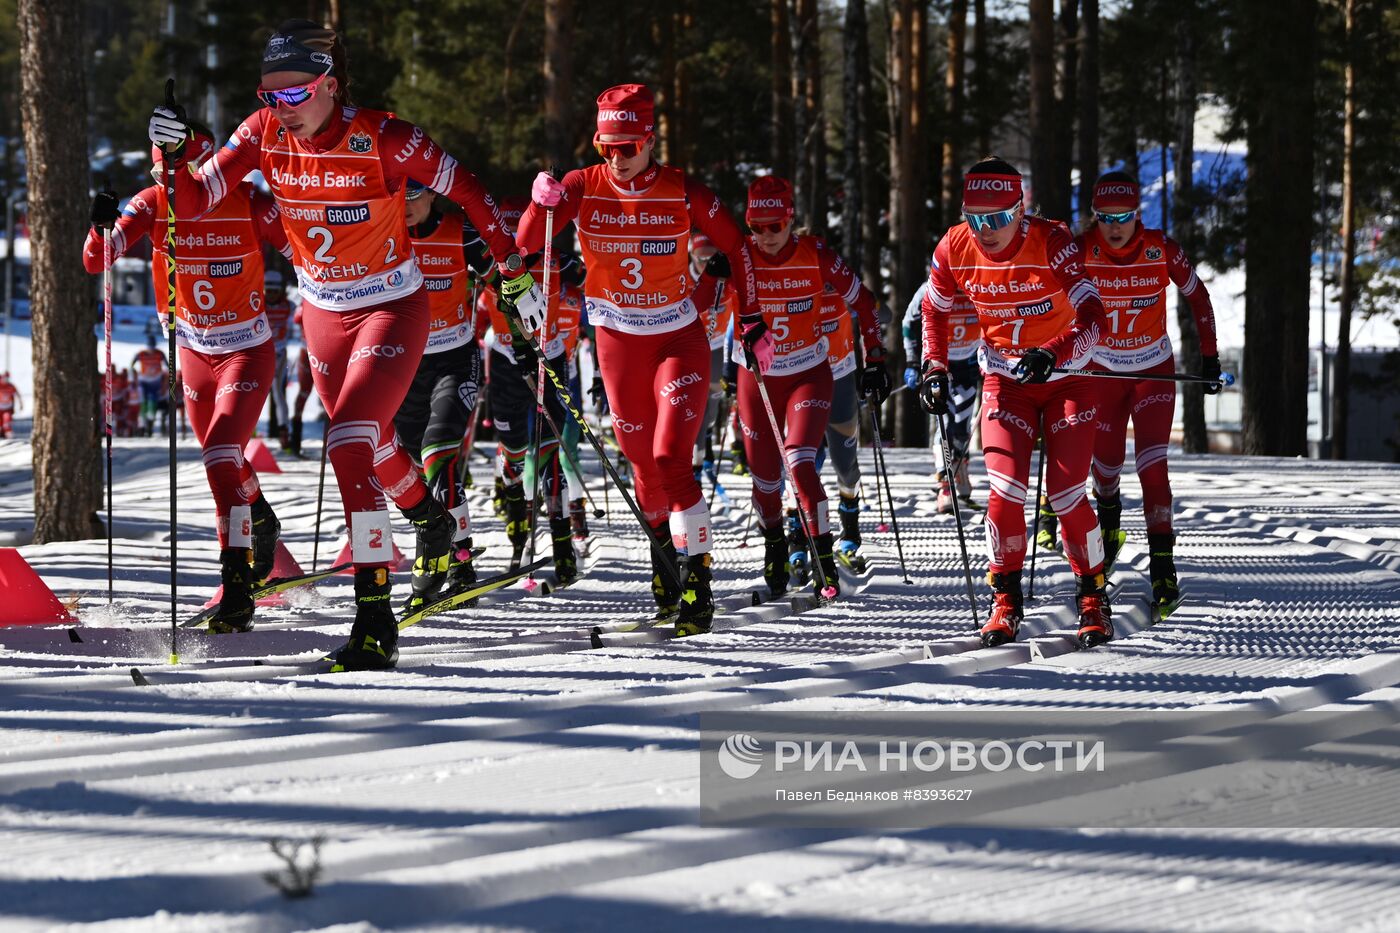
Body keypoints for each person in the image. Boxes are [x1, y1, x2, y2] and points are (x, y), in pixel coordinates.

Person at [147, 19, 541, 669]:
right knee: (375, 442)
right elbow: (190, 202)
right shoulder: (261, 131)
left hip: (391, 305)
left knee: (348, 438)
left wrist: (512, 264)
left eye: (295, 95)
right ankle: (430, 517)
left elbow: (467, 188)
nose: (282, 109)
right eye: (270, 95)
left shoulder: (384, 136)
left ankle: (375, 616)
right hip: (324, 315)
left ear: (329, 86)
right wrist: (177, 150)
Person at [519, 84, 760, 636]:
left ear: (650, 139)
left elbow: (739, 247)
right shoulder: (583, 184)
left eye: (627, 147)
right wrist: (541, 202)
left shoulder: (683, 190)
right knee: (643, 469)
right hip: (616, 343)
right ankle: (666, 573)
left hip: (677, 340)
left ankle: (698, 580)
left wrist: (751, 318)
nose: (616, 158)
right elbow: (526, 246)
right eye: (607, 147)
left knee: (671, 456)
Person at [84, 126, 293, 632]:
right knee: (221, 459)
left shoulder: (247, 198)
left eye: (182, 171)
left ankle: (237, 587)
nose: (170, 181)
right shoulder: (153, 202)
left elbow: (299, 246)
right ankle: (259, 517)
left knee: (221, 452)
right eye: (160, 171)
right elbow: (98, 260)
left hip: (246, 348)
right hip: (193, 353)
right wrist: (99, 226)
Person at [917, 158, 1111, 649]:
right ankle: (1004, 600)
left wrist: (1054, 352)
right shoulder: (953, 245)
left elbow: (1093, 314)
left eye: (998, 218)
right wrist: (934, 366)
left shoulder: (1051, 240)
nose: (987, 231)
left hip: (1070, 377)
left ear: (1020, 209)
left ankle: (1092, 597)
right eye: (976, 218)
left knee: (1066, 495)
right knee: (1005, 492)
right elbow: (933, 310)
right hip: (1007, 380)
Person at [722, 175, 888, 600]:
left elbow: (865, 302)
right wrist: (710, 273)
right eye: (757, 227)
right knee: (764, 481)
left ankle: (825, 560)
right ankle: (776, 546)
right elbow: (699, 307)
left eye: (775, 227)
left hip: (808, 373)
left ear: (790, 220)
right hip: (756, 380)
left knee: (800, 463)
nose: (766, 237)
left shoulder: (817, 255)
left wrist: (876, 358)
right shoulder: (738, 255)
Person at [1078, 171, 1220, 616]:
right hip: (1102, 374)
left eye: (1123, 217)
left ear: (1138, 214)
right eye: (1105, 218)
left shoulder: (1162, 249)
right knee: (1104, 472)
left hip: (1153, 371)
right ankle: (1110, 524)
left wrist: (1210, 358)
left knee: (1152, 467)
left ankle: (1163, 569)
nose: (1115, 227)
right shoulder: (1082, 250)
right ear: (1094, 218)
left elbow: (1199, 297)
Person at [394, 179, 492, 604]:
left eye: (414, 196)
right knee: (413, 466)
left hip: (455, 357)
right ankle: (446, 545)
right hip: (403, 363)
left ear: (433, 195)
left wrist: (523, 324)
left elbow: (503, 273)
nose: (406, 205)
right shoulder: (384, 231)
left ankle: (459, 559)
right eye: (399, 196)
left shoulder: (459, 231)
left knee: (438, 452)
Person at [479, 197, 582, 581]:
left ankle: (561, 540)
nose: (520, 248)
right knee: (517, 452)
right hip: (507, 359)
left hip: (551, 354)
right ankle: (514, 512)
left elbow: (590, 279)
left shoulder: (557, 257)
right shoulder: (492, 265)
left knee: (552, 445)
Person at [903, 281, 982, 512]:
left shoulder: (977, 279)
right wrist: (912, 361)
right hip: (940, 362)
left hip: (969, 360)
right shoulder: (931, 286)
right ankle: (945, 485)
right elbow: (908, 322)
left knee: (962, 424)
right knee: (944, 423)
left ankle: (960, 467)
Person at [817, 281, 870, 571]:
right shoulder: (786, 286)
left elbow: (881, 313)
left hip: (841, 382)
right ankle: (799, 540)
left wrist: (861, 301)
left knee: (845, 464)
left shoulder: (841, 287)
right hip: (803, 381)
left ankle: (850, 535)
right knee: (803, 462)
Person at [687, 232, 737, 490]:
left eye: (710, 258)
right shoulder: (682, 278)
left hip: (718, 347)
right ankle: (694, 464)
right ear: (692, 256)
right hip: (690, 348)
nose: (704, 264)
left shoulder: (724, 278)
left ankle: (704, 438)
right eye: (700, 258)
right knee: (695, 407)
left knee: (711, 414)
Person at [263, 269, 295, 449]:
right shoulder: (258, 304)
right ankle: (247, 431)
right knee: (253, 393)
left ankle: (284, 432)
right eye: (269, 291)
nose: (273, 296)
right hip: (261, 355)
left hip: (280, 354)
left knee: (278, 394)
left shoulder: (289, 305)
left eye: (276, 291)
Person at [131, 333, 168, 437]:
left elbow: (168, 365)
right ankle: (142, 426)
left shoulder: (160, 354)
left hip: (155, 382)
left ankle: (150, 425)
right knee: (143, 404)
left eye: (152, 346)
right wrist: (132, 376)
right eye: (149, 347)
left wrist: (167, 378)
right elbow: (131, 365)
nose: (151, 349)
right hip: (143, 382)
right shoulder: (141, 354)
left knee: (152, 403)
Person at [288, 304, 313, 455]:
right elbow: (296, 318)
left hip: (324, 353)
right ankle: (295, 443)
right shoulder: (304, 304)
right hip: (307, 354)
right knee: (303, 394)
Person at [0, 372, 20, 438]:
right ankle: (2, 432)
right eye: (4, 378)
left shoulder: (11, 386)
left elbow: (17, 394)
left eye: (7, 378)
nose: (5, 380)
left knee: (7, 419)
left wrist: (20, 403)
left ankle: (8, 434)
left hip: (8, 407)